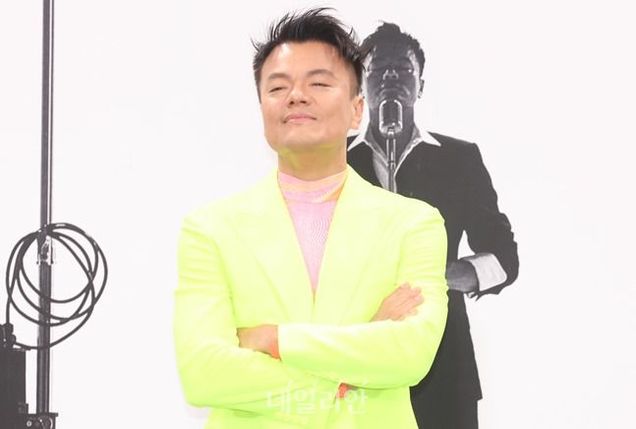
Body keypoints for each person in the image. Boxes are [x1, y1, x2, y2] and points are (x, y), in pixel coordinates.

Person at [173, 9, 449, 429]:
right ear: (262, 108)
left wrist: (275, 339)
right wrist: (358, 353)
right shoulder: (210, 229)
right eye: (277, 87)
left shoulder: (414, 224)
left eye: (318, 83)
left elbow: (409, 354)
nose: (296, 96)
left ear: (357, 110)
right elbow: (204, 374)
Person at [347, 22, 520, 428]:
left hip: (445, 370)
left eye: (403, 68)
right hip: (357, 363)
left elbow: (504, 258)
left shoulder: (459, 159)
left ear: (420, 85)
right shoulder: (333, 161)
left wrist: (440, 277)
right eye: (378, 68)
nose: (391, 77)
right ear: (360, 85)